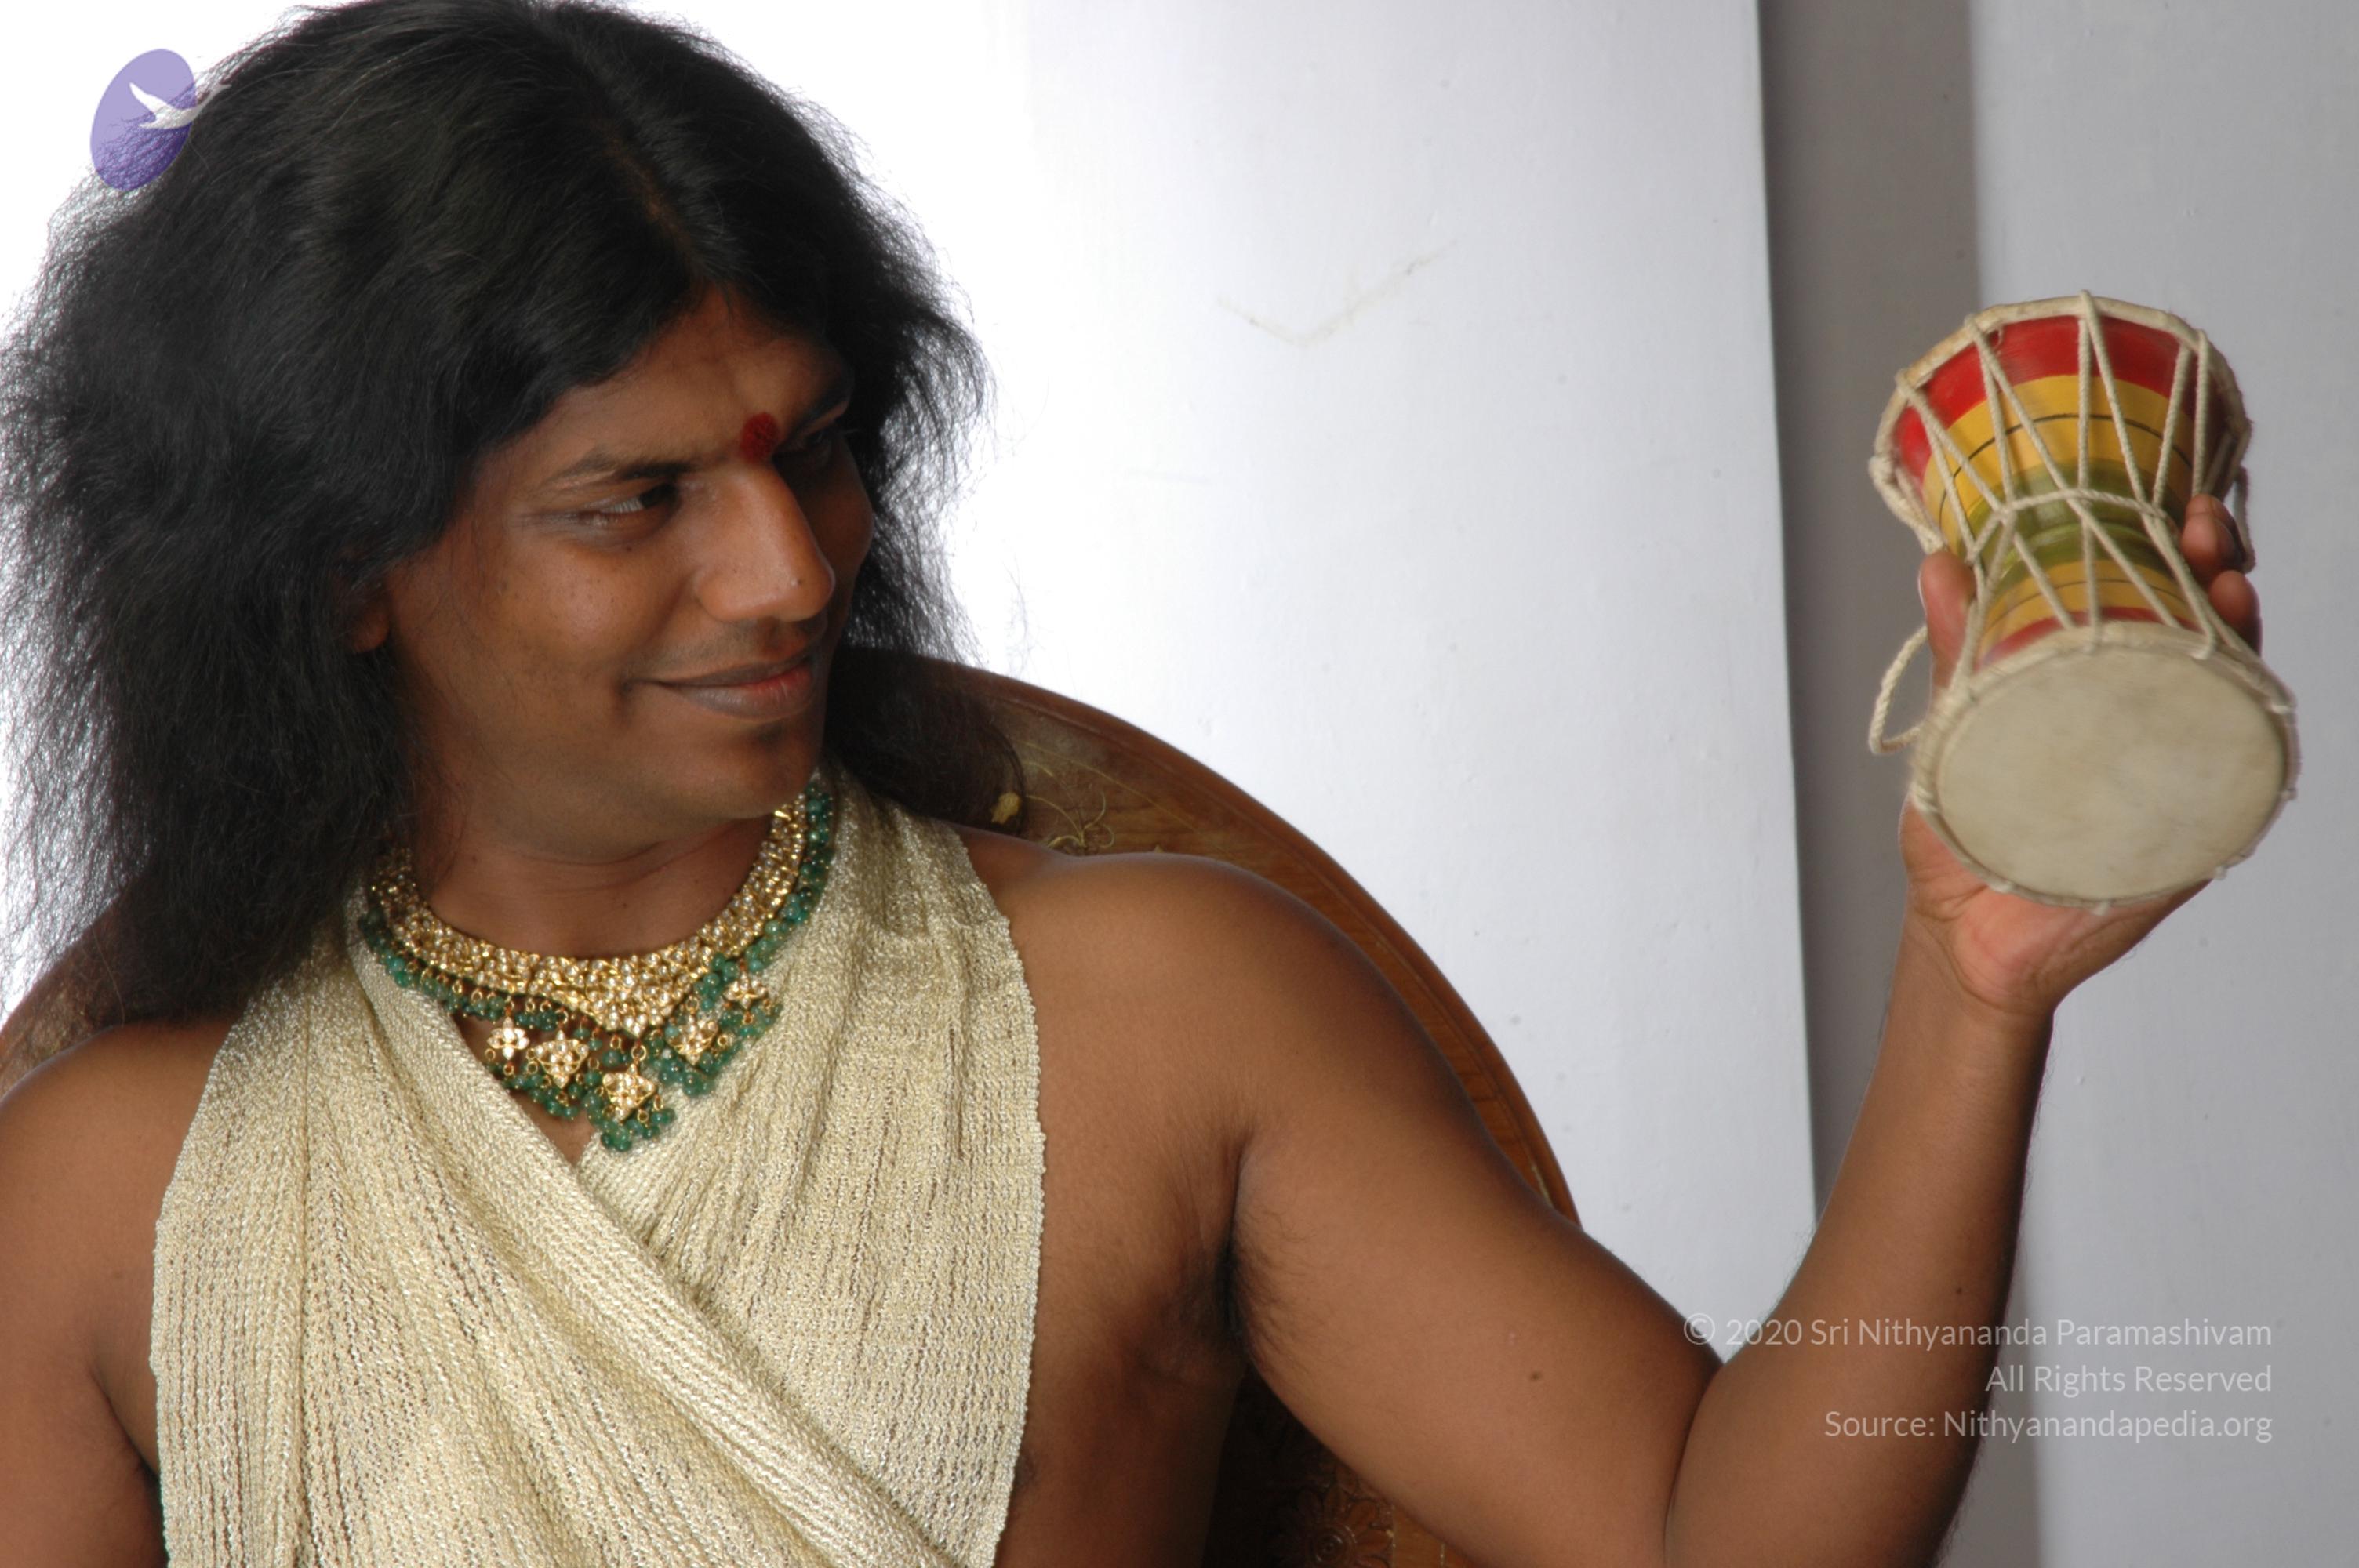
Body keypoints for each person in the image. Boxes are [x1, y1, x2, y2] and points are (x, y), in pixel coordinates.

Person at [0, 2, 2266, 1564]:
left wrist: (1974, 999)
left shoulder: (1163, 1014)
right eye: (637, 499)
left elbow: (1716, 1544)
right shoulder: (98, 1202)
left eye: (813, 450)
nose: (789, 567)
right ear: (344, 570)